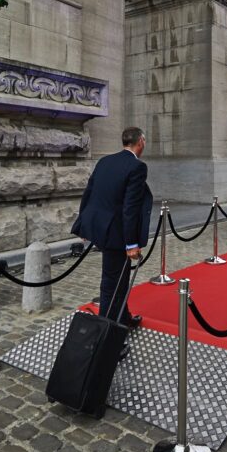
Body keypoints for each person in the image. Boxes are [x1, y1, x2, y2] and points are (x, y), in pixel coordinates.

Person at [71, 127, 153, 331]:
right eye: (144, 142)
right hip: (116, 234)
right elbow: (130, 208)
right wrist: (131, 243)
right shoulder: (137, 167)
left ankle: (123, 318)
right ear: (140, 142)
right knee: (112, 285)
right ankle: (106, 333)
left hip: (99, 227)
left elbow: (88, 193)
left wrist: (82, 224)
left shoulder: (105, 161)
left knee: (119, 279)